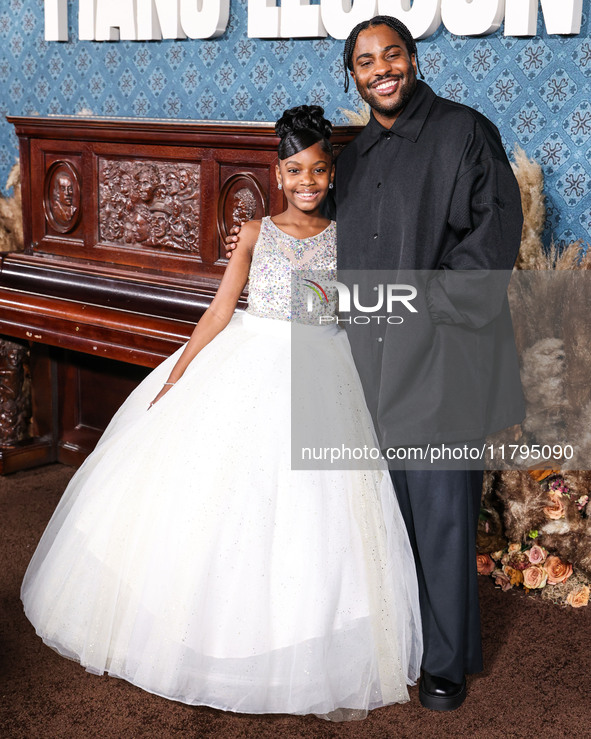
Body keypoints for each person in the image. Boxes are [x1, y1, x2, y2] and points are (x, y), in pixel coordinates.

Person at [21, 106, 422, 721]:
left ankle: (298, 638)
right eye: (294, 170)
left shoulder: (347, 235)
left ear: (332, 172)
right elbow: (218, 310)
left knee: (315, 509)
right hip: (248, 356)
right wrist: (180, 373)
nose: (307, 181)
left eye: (318, 169)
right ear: (278, 172)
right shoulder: (256, 231)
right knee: (223, 495)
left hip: (321, 367)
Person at [226, 17, 524, 712]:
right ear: (352, 76)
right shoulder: (351, 160)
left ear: (413, 60)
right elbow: (328, 257)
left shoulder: (464, 132)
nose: (380, 68)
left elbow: (489, 247)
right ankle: (408, 643)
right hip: (368, 366)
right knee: (387, 516)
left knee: (443, 512)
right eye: (364, 61)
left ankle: (446, 665)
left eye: (392, 54)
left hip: (444, 357)